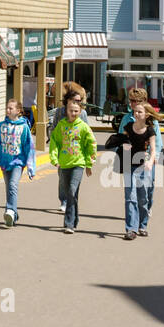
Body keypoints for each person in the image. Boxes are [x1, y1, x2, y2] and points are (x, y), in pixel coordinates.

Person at [48, 85, 97, 233]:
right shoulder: (61, 124)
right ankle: (74, 219)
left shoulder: (83, 125)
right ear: (66, 109)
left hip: (79, 163)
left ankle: (68, 223)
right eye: (71, 110)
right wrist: (54, 157)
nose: (74, 113)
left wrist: (89, 164)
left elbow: (91, 143)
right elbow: (54, 140)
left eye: (77, 110)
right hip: (64, 162)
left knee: (71, 190)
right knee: (70, 191)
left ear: (80, 110)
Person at [0, 99, 36, 227]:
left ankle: (10, 210)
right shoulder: (0, 126)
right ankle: (13, 214)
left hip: (18, 162)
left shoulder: (24, 127)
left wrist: (30, 166)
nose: (8, 110)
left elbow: (29, 146)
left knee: (12, 185)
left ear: (18, 111)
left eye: (11, 108)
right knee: (9, 188)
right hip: (4, 162)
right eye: (7, 108)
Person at [123, 100, 159, 239]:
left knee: (143, 199)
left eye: (139, 112)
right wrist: (125, 146)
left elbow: (154, 149)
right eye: (135, 111)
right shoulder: (128, 126)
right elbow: (124, 141)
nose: (136, 114)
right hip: (129, 166)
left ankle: (142, 225)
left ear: (146, 115)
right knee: (130, 197)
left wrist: (150, 161)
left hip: (144, 167)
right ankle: (131, 229)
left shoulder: (150, 130)